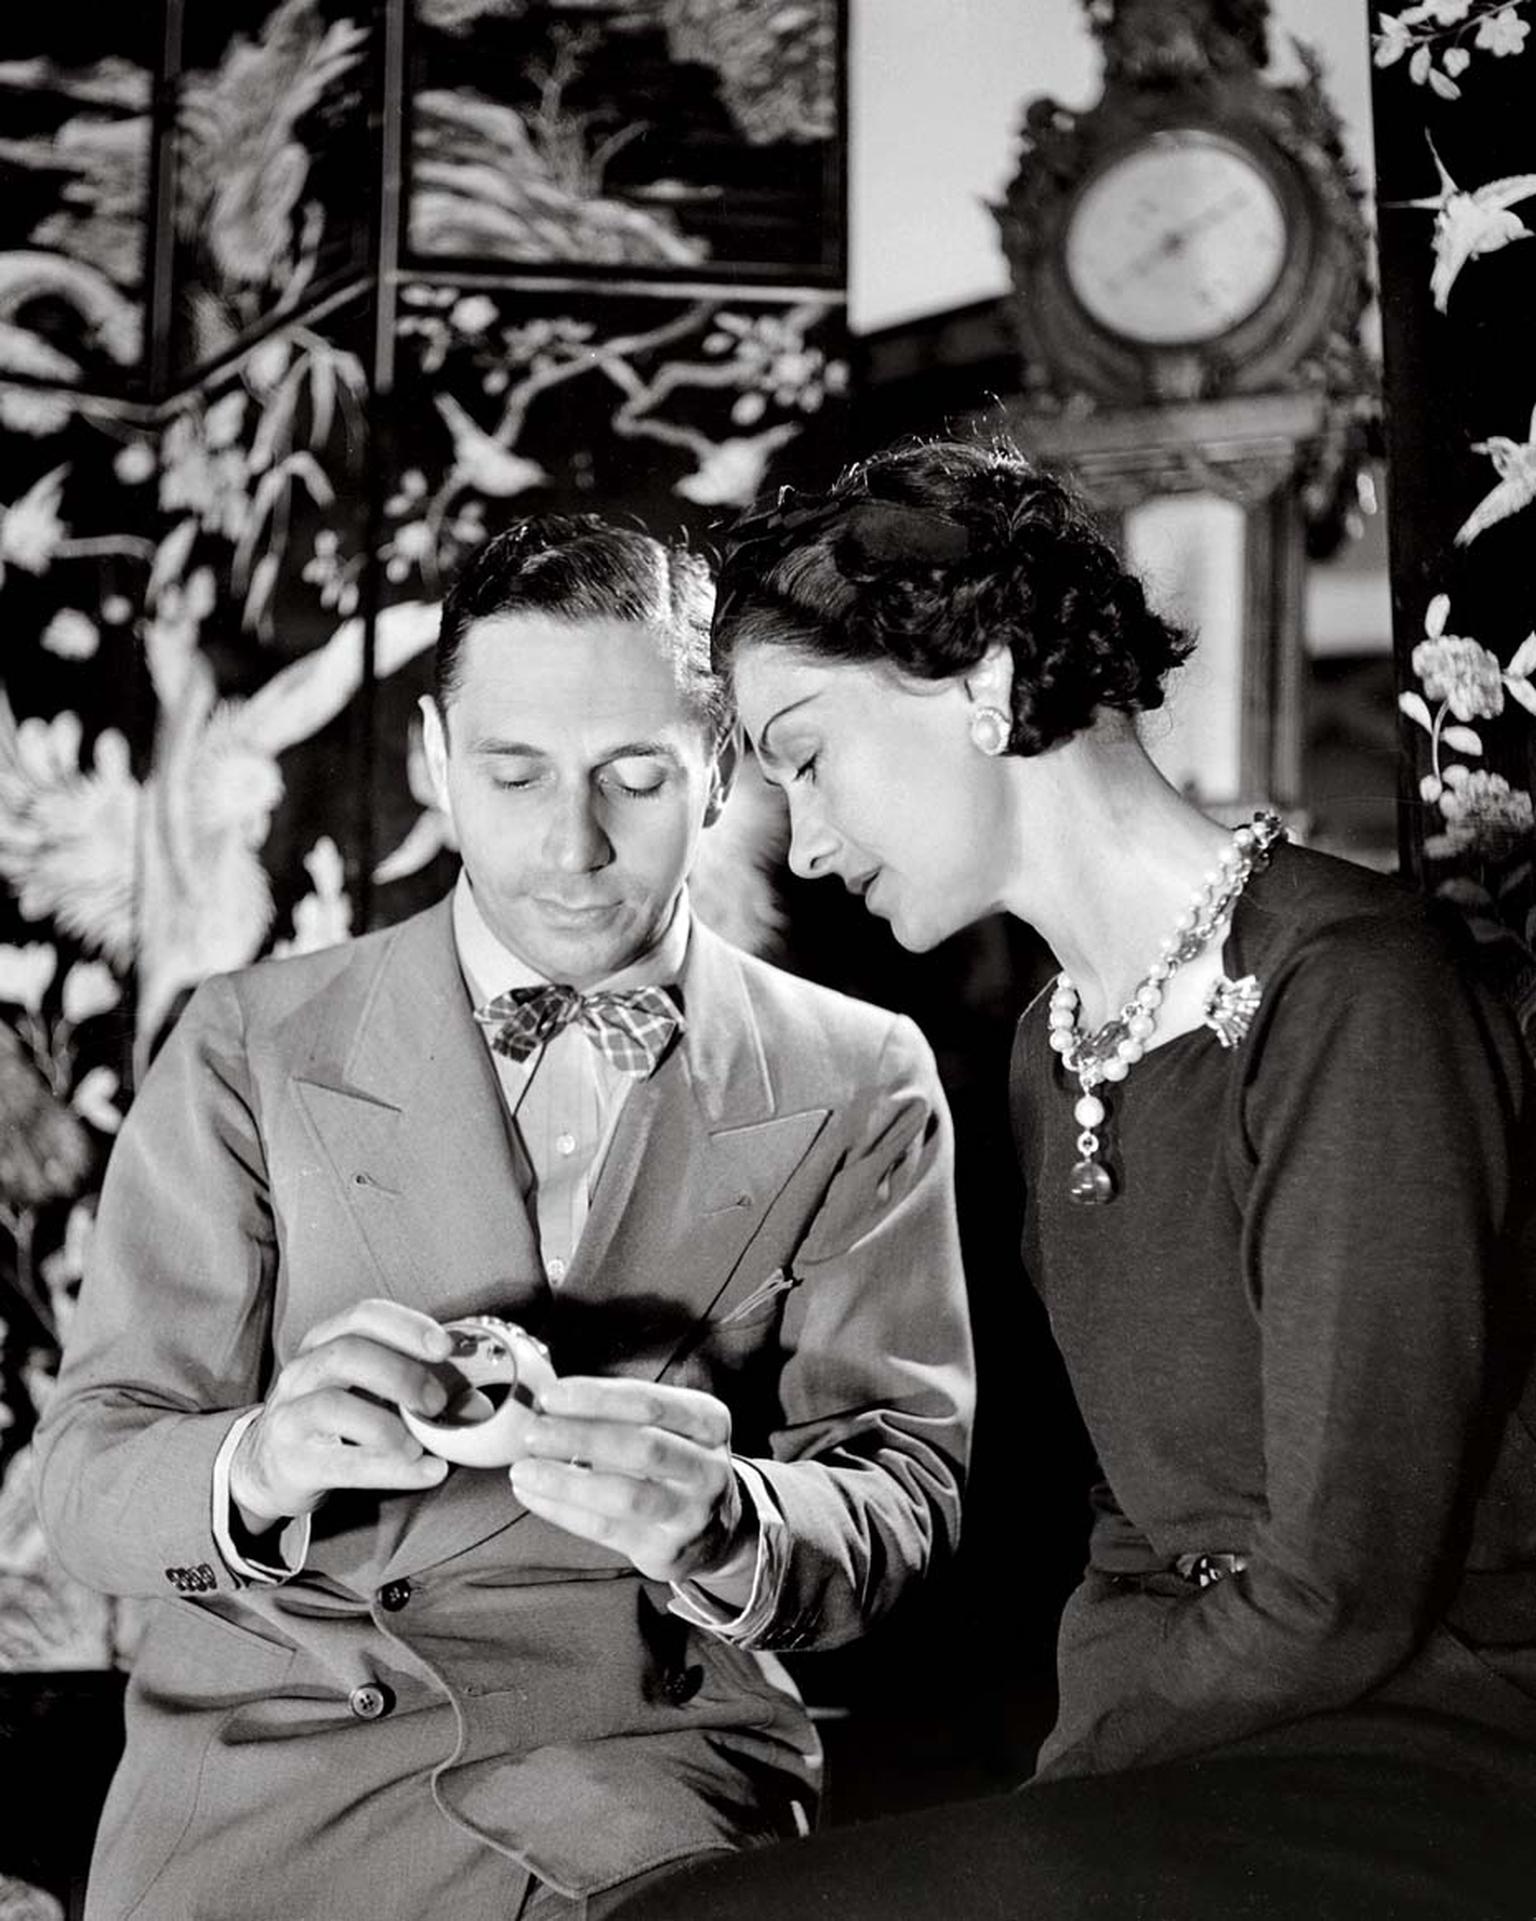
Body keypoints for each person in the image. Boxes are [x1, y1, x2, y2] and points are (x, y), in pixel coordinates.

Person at [611, 440, 1536, 1920]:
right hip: (1206, 1756)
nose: (807, 835)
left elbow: (1337, 1589)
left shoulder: (1352, 991)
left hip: (1434, 1748)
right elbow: (1132, 1522)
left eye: (804, 750)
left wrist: (1076, 1775)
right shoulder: (1058, 1048)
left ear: (979, 679)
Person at [33, 514, 975, 1921]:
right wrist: (263, 1458)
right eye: (514, 771)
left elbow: (904, 1489)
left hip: (648, 1768)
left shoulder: (863, 1075)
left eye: (635, 776)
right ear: (431, 758)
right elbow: (87, 1481)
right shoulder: (245, 1043)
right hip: (280, 1770)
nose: (571, 842)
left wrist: (731, 1520)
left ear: (718, 768)